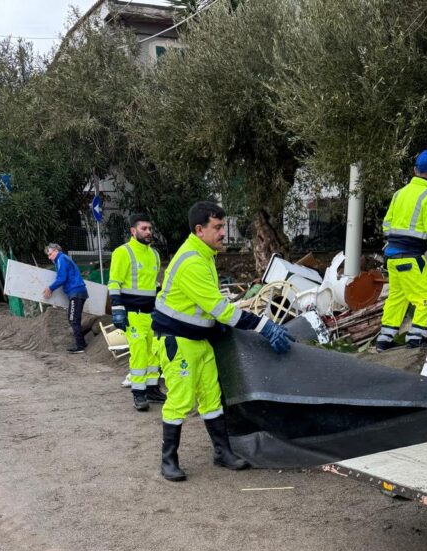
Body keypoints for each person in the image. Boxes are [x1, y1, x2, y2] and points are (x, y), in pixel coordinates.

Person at [151, 200, 294, 482]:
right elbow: (220, 309)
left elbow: (207, 307)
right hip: (178, 342)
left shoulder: (203, 255)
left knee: (212, 399)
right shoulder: (192, 262)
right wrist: (263, 326)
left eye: (222, 226)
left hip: (198, 340)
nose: (222, 232)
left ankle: (222, 453)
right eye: (217, 227)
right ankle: (168, 460)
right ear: (199, 229)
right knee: (179, 400)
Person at [375, 149, 427, 353]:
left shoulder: (399, 194)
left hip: (392, 256)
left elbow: (386, 225)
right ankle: (416, 338)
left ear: (415, 169)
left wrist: (398, 240)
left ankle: (384, 339)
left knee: (397, 298)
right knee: (425, 298)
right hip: (411, 257)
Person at [107, 214, 162, 412]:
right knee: (139, 354)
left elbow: (154, 285)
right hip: (133, 314)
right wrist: (117, 310)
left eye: (150, 228)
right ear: (133, 231)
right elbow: (114, 283)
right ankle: (139, 394)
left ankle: (152, 388)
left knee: (154, 352)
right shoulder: (123, 252)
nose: (148, 232)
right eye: (144, 228)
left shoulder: (154, 254)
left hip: (151, 314)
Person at [43, 243, 89, 354]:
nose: (49, 258)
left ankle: (80, 346)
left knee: (73, 319)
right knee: (73, 318)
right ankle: (81, 343)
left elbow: (61, 278)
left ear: (55, 251)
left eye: (50, 254)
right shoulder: (62, 259)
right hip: (78, 292)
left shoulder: (61, 259)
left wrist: (50, 288)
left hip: (76, 293)